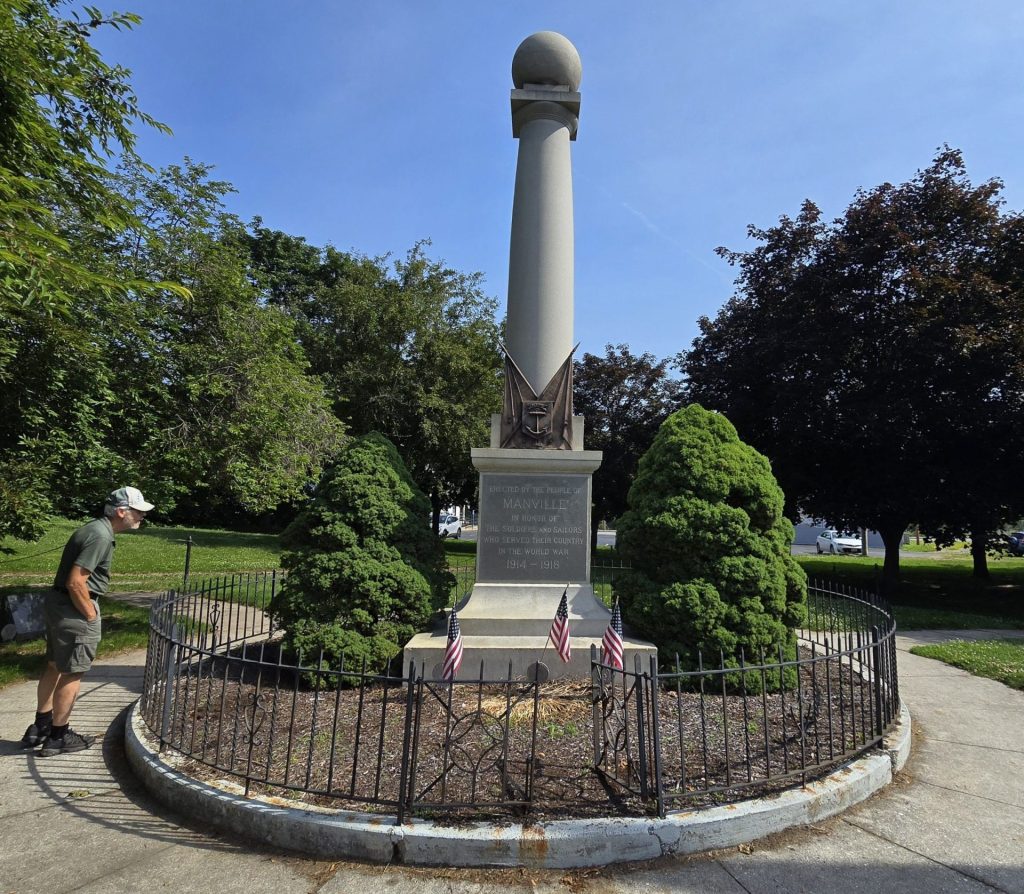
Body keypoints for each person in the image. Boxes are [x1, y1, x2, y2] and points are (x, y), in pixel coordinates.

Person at [21, 486, 153, 756]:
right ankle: (58, 735)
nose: (141, 516)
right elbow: (76, 582)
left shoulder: (93, 529)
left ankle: (41, 727)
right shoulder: (100, 537)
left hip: (59, 606)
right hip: (75, 608)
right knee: (72, 671)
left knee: (54, 665)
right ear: (121, 511)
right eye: (138, 512)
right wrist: (90, 614)